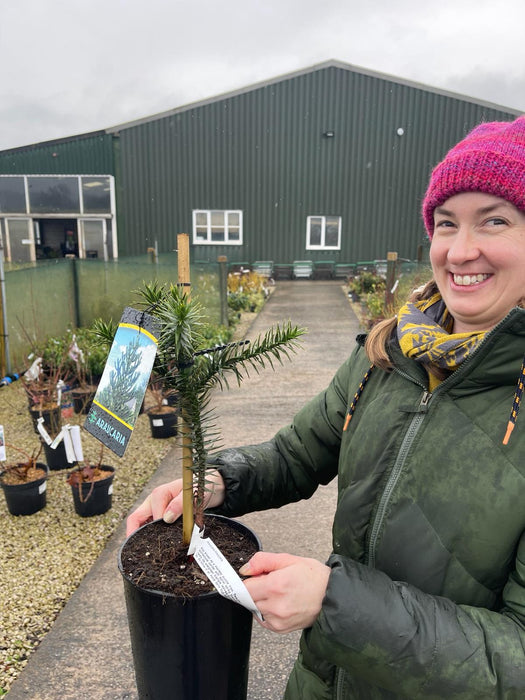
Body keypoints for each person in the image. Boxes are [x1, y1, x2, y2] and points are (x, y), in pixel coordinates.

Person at [127, 115, 525, 698]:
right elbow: (298, 453)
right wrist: (214, 483)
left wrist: (335, 603)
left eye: (495, 220)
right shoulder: (388, 355)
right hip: (323, 680)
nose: (461, 251)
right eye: (446, 223)